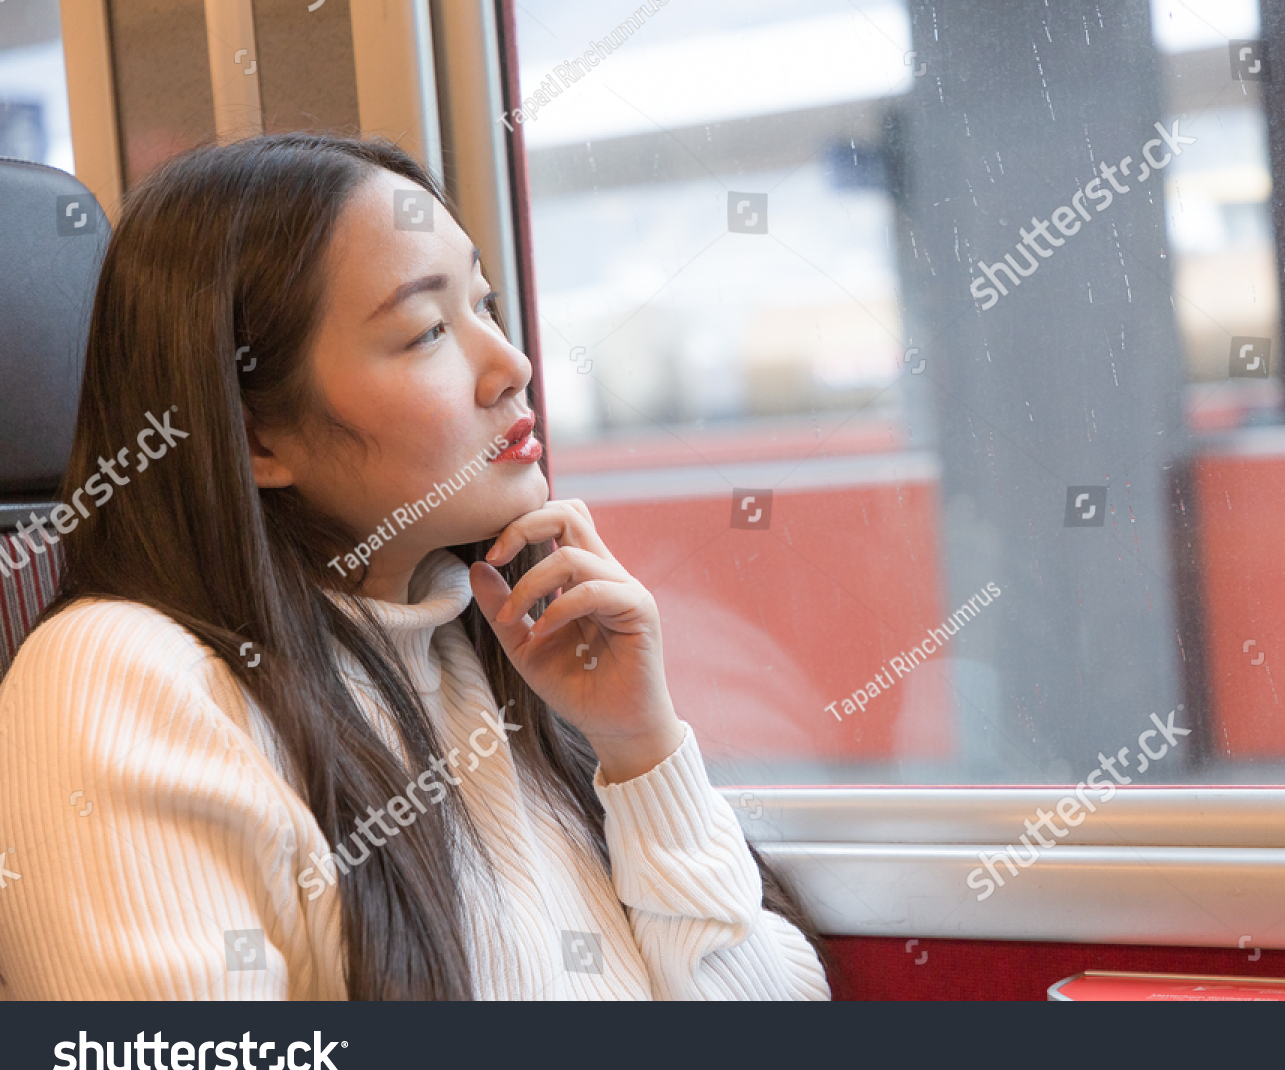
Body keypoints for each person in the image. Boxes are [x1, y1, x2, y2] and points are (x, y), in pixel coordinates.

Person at [0, 133, 830, 1000]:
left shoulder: (492, 649)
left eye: (486, 302)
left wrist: (640, 747)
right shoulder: (119, 677)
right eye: (428, 329)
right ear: (256, 438)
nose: (512, 364)